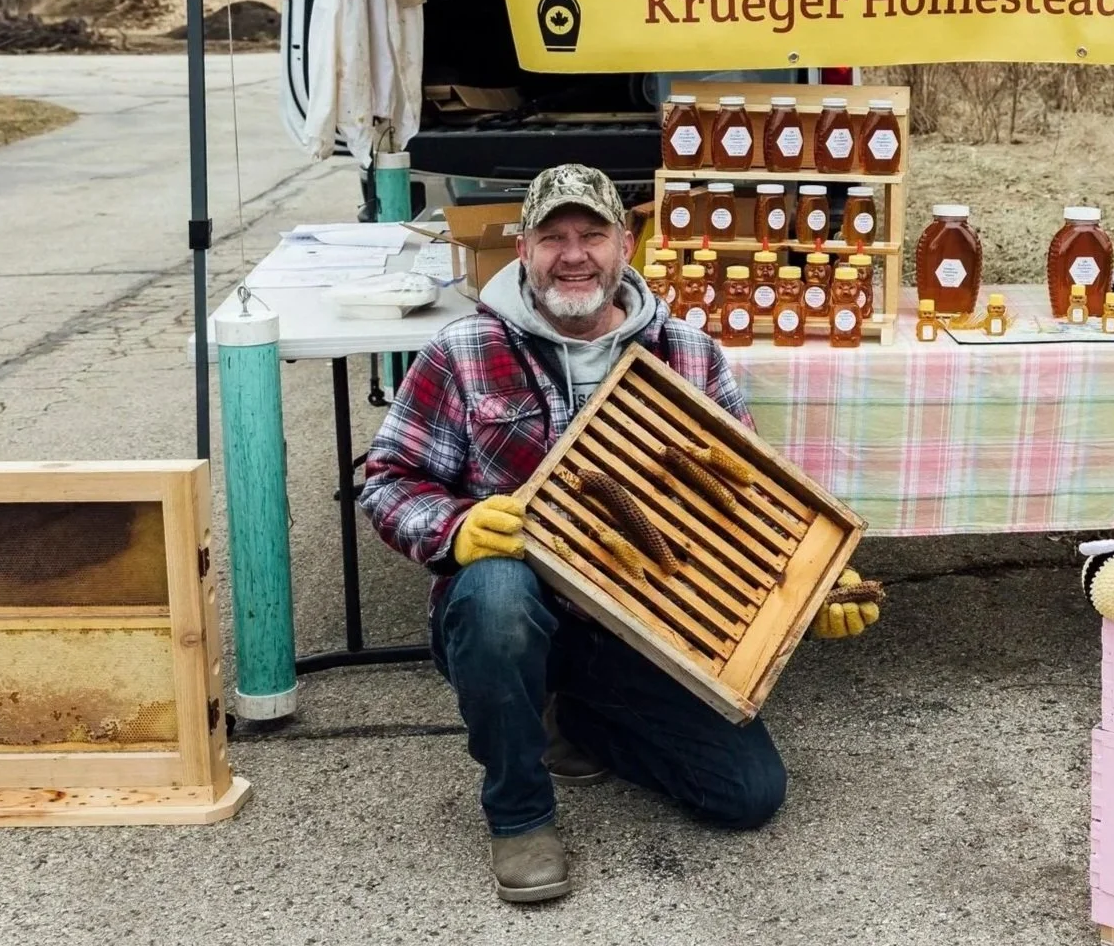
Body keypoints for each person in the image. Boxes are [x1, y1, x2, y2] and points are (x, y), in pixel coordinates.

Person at [361, 164, 879, 903]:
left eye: (592, 235)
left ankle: (575, 716)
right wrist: (455, 526)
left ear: (627, 245)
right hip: (509, 616)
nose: (574, 254)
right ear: (523, 249)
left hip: (644, 626)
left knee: (748, 794)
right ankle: (519, 811)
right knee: (499, 590)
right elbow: (388, 480)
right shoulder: (463, 350)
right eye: (553, 237)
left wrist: (809, 596)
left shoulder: (689, 353)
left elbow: (752, 507)